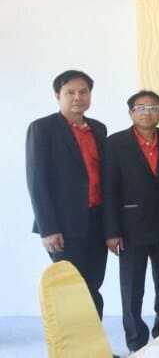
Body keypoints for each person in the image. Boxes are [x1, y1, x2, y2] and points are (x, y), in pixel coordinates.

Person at [103, 90, 159, 352]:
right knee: (132, 289)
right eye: (140, 108)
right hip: (130, 229)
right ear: (130, 113)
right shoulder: (115, 143)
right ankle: (136, 341)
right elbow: (109, 189)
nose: (147, 112)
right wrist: (112, 231)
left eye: (153, 107)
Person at [26, 70, 109, 318]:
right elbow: (37, 181)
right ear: (57, 96)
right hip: (63, 227)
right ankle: (73, 343)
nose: (77, 97)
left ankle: (93, 341)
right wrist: (48, 228)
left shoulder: (98, 129)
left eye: (83, 92)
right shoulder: (43, 128)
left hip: (97, 221)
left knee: (93, 285)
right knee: (71, 288)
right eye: (70, 92)